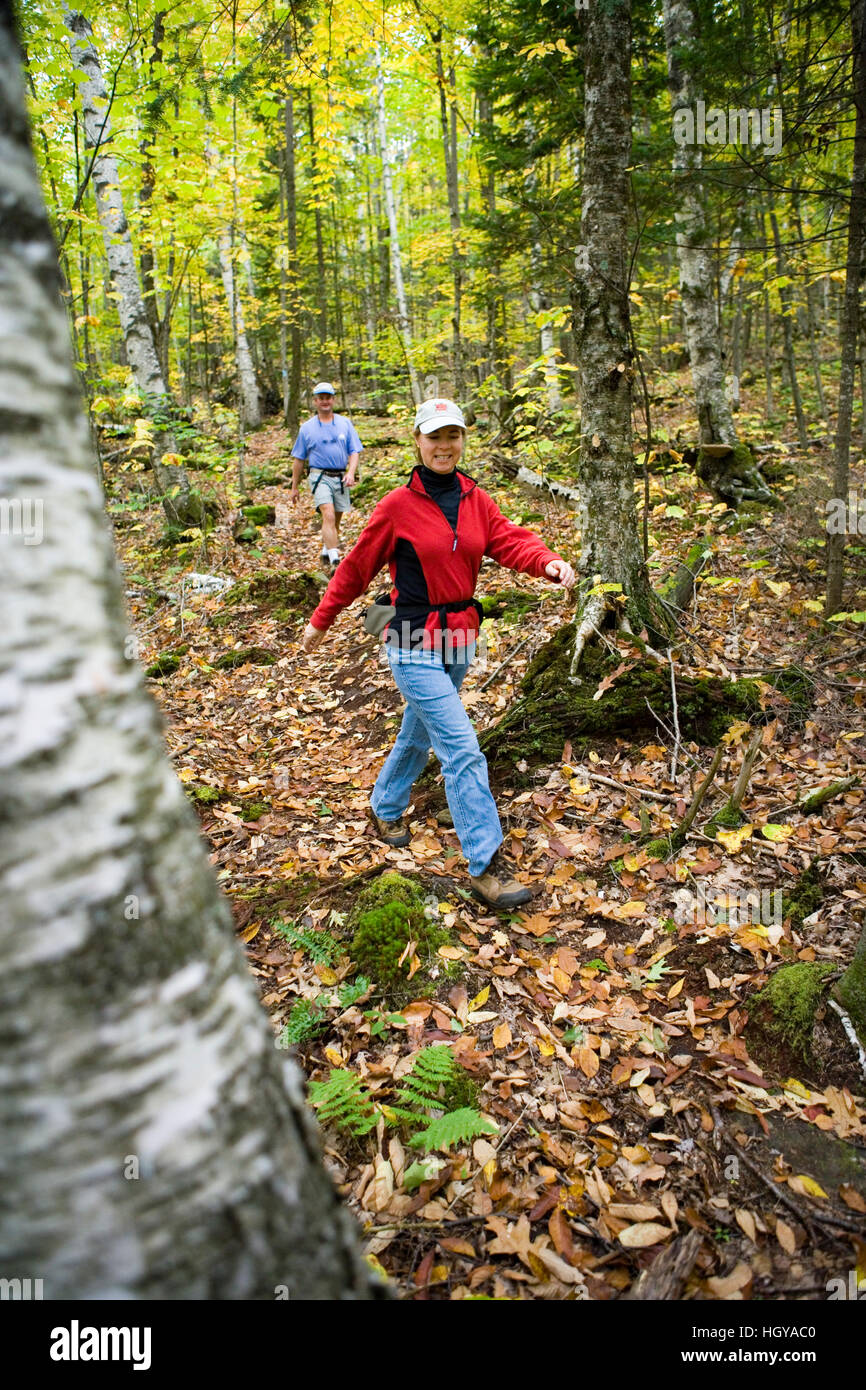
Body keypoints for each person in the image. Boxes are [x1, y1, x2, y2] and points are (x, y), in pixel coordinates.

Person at [301, 397, 575, 909]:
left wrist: (548, 563)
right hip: (408, 637)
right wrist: (322, 620)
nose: (445, 446)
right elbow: (356, 569)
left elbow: (510, 540)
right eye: (435, 437)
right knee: (461, 747)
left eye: (453, 436)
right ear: (418, 442)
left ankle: (385, 804)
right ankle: (486, 863)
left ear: (462, 439)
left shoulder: (476, 498)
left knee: (420, 729)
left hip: (460, 637)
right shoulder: (395, 506)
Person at [290, 382, 363, 571]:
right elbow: (299, 458)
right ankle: (335, 561)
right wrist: (294, 487)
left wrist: (351, 473)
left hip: (340, 477)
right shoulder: (307, 428)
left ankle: (325, 550)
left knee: (335, 520)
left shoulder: (344, 423)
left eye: (328, 397)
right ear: (315, 401)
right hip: (318, 476)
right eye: (321, 398)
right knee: (328, 513)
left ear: (333, 399)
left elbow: (354, 451)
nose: (325, 401)